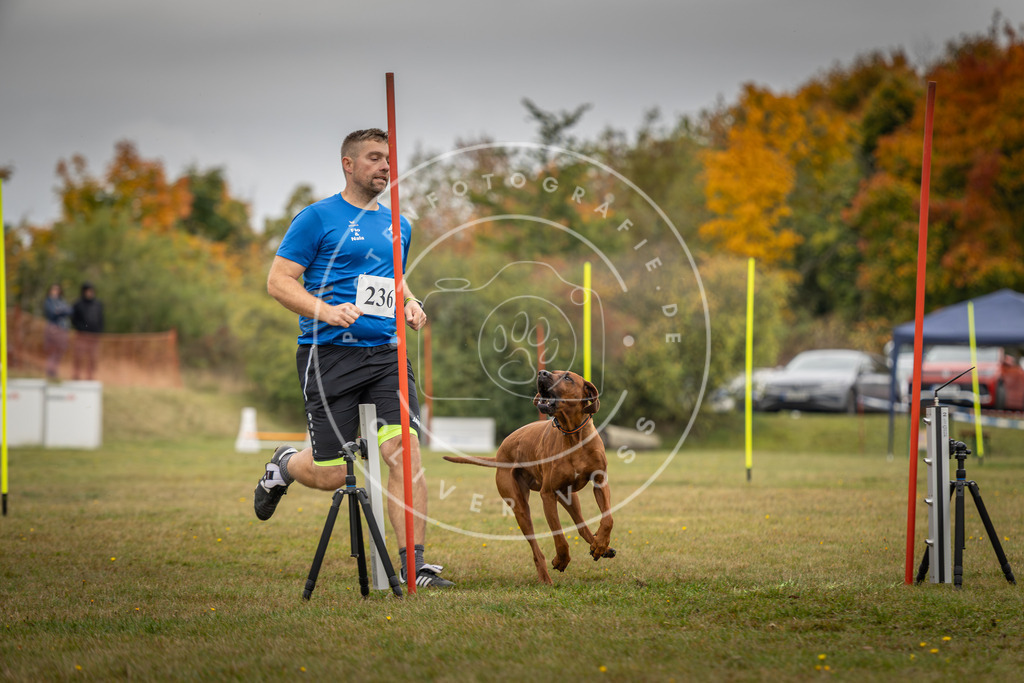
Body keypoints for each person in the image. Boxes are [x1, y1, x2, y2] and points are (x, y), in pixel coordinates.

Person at [253, 128, 453, 588]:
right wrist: (326, 310)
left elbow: (392, 279)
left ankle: (414, 566)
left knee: (405, 453)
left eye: (389, 159)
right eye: (374, 158)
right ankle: (284, 465)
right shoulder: (316, 218)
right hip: (328, 356)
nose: (385, 166)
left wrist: (410, 302)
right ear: (348, 164)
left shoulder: (399, 222)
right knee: (329, 474)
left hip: (386, 355)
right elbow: (279, 281)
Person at [70, 282, 105, 380]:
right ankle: (76, 374)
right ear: (84, 292)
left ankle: (90, 375)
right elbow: (74, 319)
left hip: (94, 335)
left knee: (93, 357)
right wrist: (80, 328)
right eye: (88, 291)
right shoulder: (78, 304)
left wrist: (100, 330)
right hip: (81, 335)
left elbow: (101, 318)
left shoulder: (97, 304)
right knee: (79, 356)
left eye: (91, 291)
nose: (90, 293)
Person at [43, 283, 72, 379]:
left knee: (60, 351)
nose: (55, 292)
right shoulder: (48, 301)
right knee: (52, 351)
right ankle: (50, 371)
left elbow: (69, 310)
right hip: (53, 328)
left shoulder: (61, 301)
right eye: (53, 290)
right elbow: (52, 313)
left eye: (57, 290)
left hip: (62, 329)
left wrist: (60, 311)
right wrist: (61, 311)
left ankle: (54, 371)